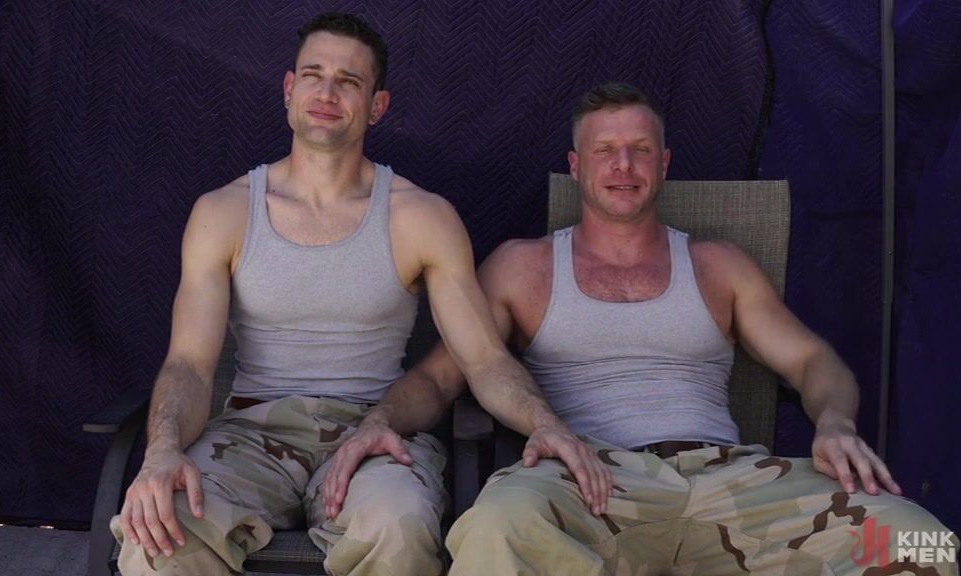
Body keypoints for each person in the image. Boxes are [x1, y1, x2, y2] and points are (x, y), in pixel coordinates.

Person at [332, 81, 957, 575]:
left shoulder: (719, 265)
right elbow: (440, 379)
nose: (623, 165)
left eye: (640, 149)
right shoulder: (522, 268)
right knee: (498, 523)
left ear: (664, 162)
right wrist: (379, 420)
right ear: (577, 165)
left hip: (730, 481)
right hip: (589, 481)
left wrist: (835, 423)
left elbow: (814, 363)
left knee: (920, 543)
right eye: (605, 150)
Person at [108, 12, 609, 576]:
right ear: (289, 89)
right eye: (313, 75)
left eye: (348, 81)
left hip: (376, 434)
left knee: (398, 525)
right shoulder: (223, 212)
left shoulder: (420, 217)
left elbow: (484, 359)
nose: (327, 93)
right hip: (249, 436)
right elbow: (190, 366)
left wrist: (544, 423)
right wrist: (162, 451)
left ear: (377, 106)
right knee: (159, 533)